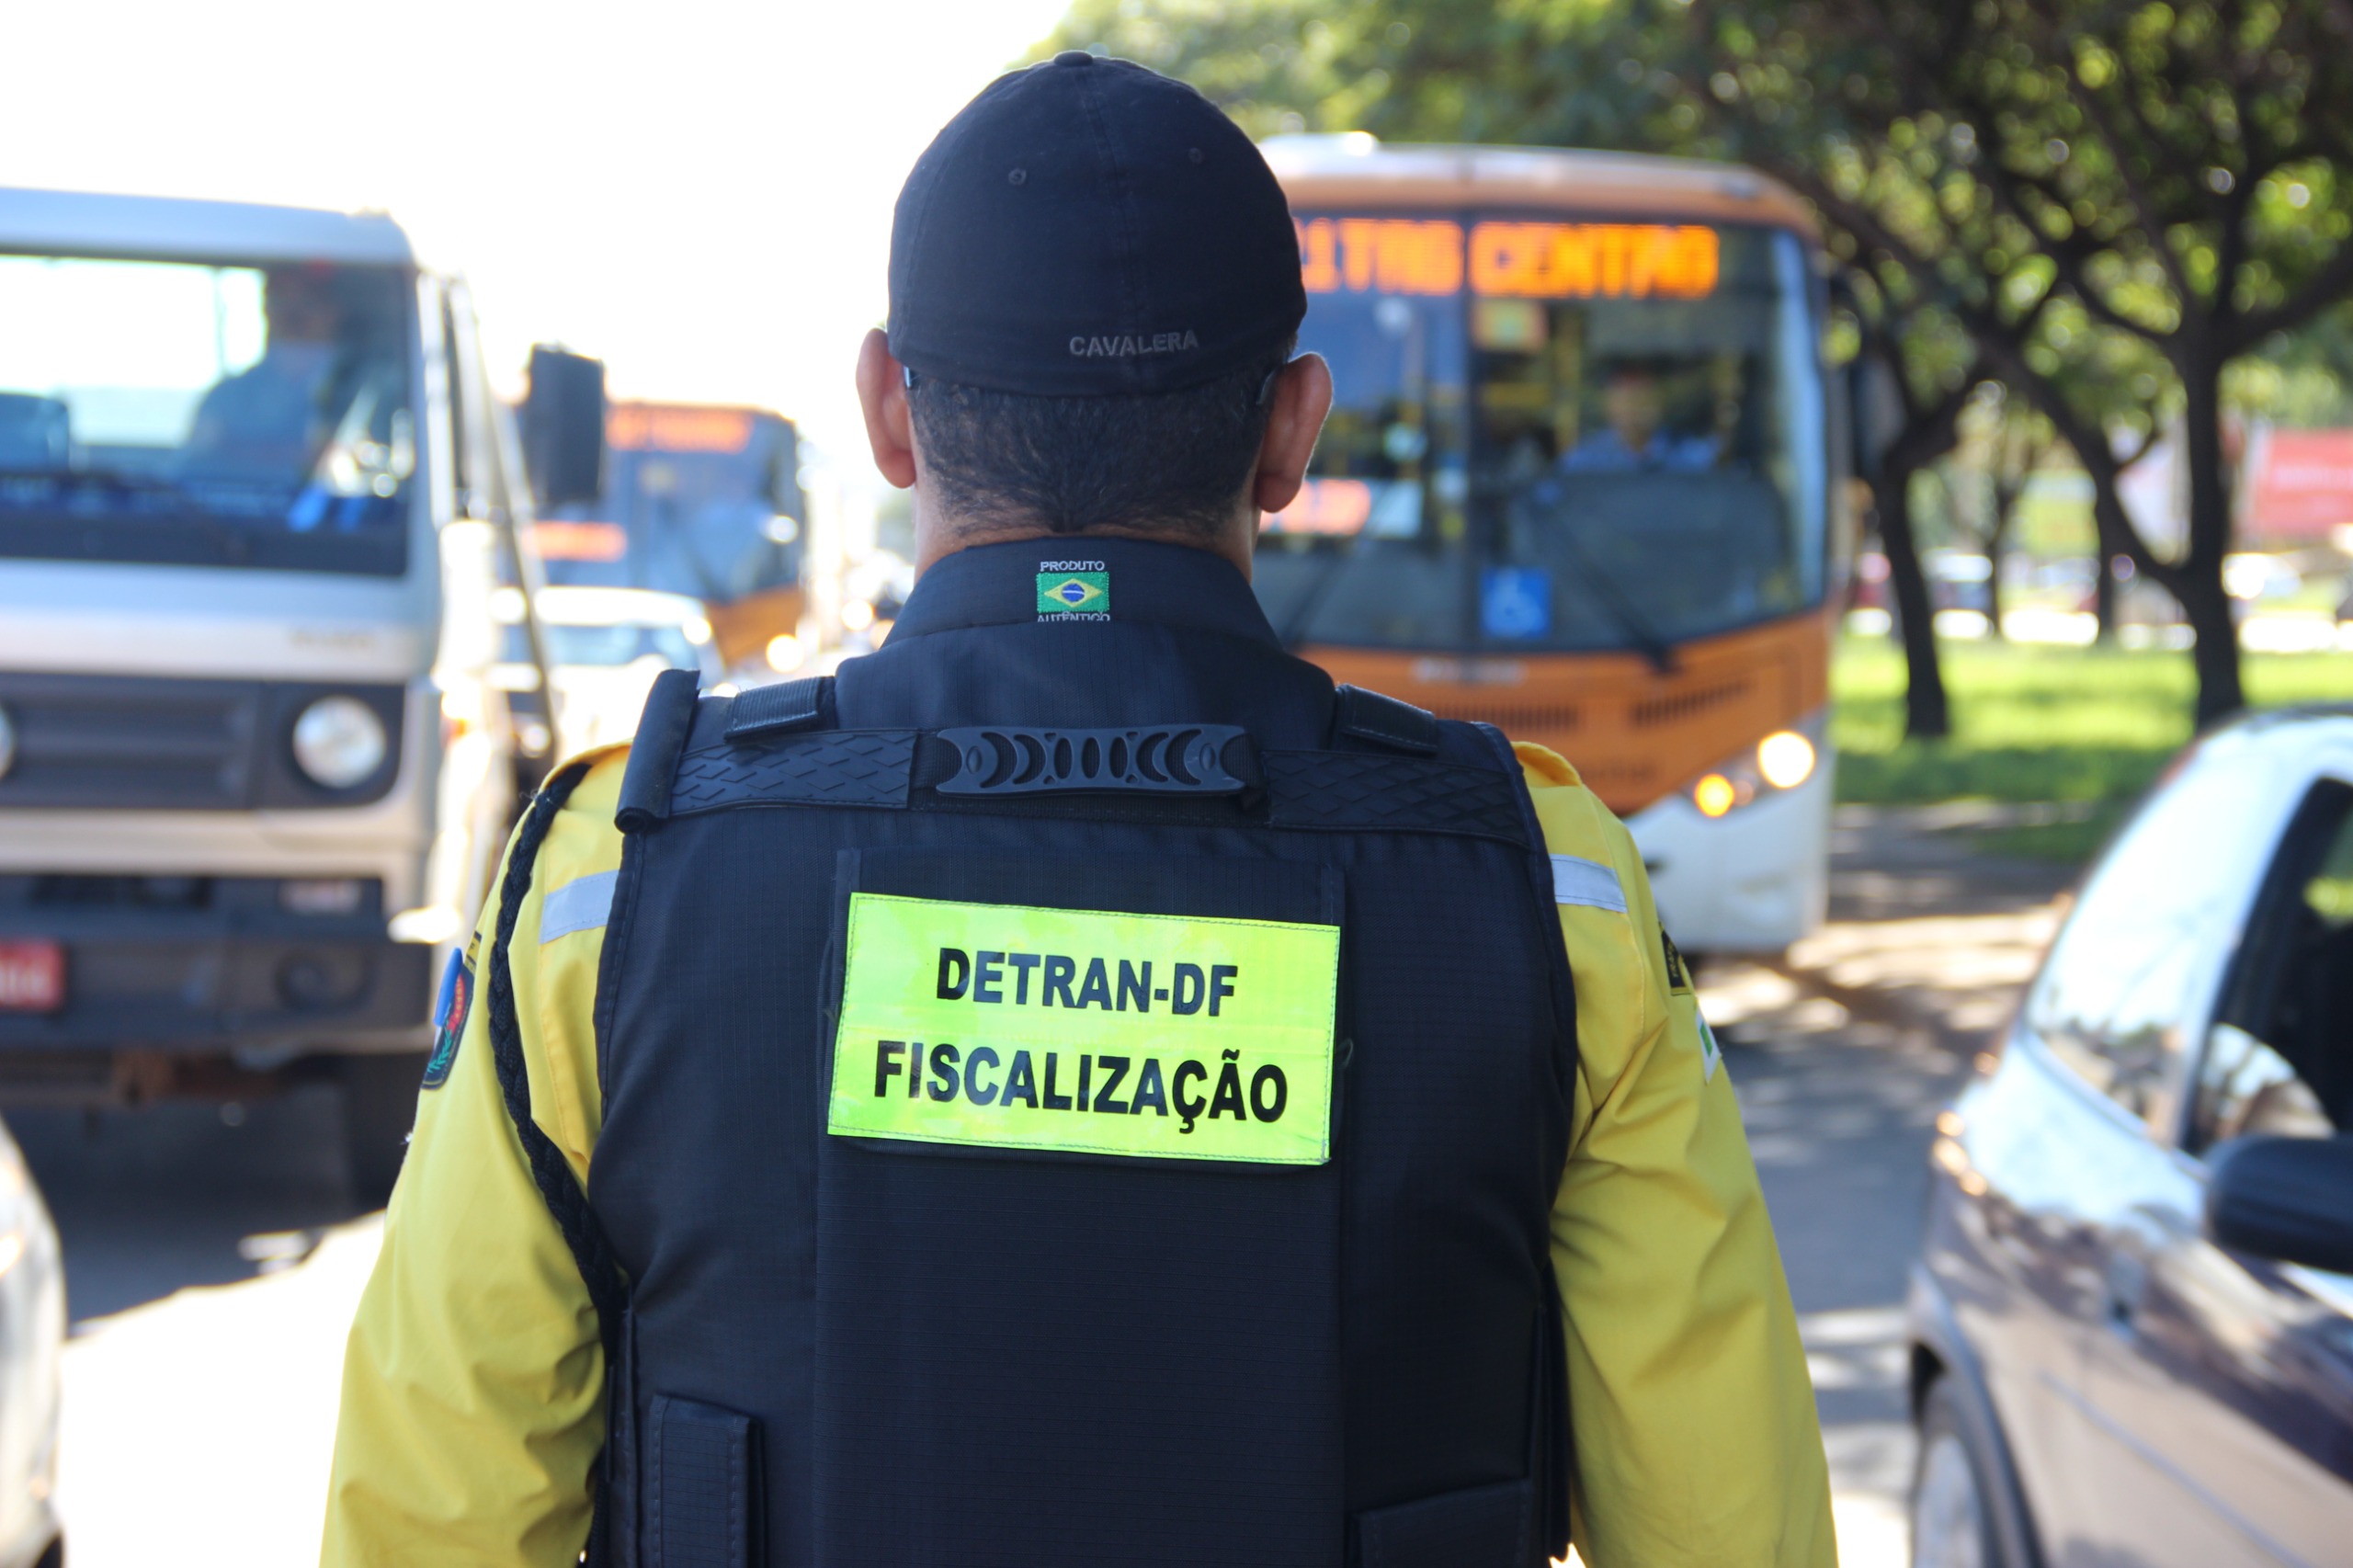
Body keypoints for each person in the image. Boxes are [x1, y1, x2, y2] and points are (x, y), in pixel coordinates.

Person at [323, 54, 1835, 1568]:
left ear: (888, 415)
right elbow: (1728, 1527)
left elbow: (434, 1513)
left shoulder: (610, 881)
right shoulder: (1547, 893)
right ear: (1291, 433)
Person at [1560, 359, 1719, 473]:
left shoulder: (1690, 453)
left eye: (1644, 400)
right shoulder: (1585, 459)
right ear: (1609, 406)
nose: (1635, 409)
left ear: (1660, 404)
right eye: (1626, 401)